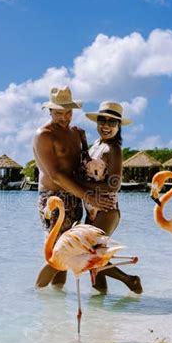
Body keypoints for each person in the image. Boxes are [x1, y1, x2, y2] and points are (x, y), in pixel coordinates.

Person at [33, 87, 115, 288]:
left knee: (72, 251)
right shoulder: (44, 135)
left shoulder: (77, 133)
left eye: (68, 112)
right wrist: (89, 196)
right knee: (56, 255)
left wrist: (98, 192)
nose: (64, 117)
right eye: (59, 113)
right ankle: (40, 297)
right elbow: (56, 175)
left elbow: (85, 165)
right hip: (53, 198)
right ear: (50, 111)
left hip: (76, 196)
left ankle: (58, 301)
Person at [83, 101, 142, 294]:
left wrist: (82, 186)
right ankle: (99, 309)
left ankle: (130, 280)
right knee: (92, 261)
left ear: (119, 126)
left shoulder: (113, 149)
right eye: (102, 120)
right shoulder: (96, 145)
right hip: (91, 208)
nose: (106, 126)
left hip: (106, 210)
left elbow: (114, 184)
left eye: (112, 122)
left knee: (92, 257)